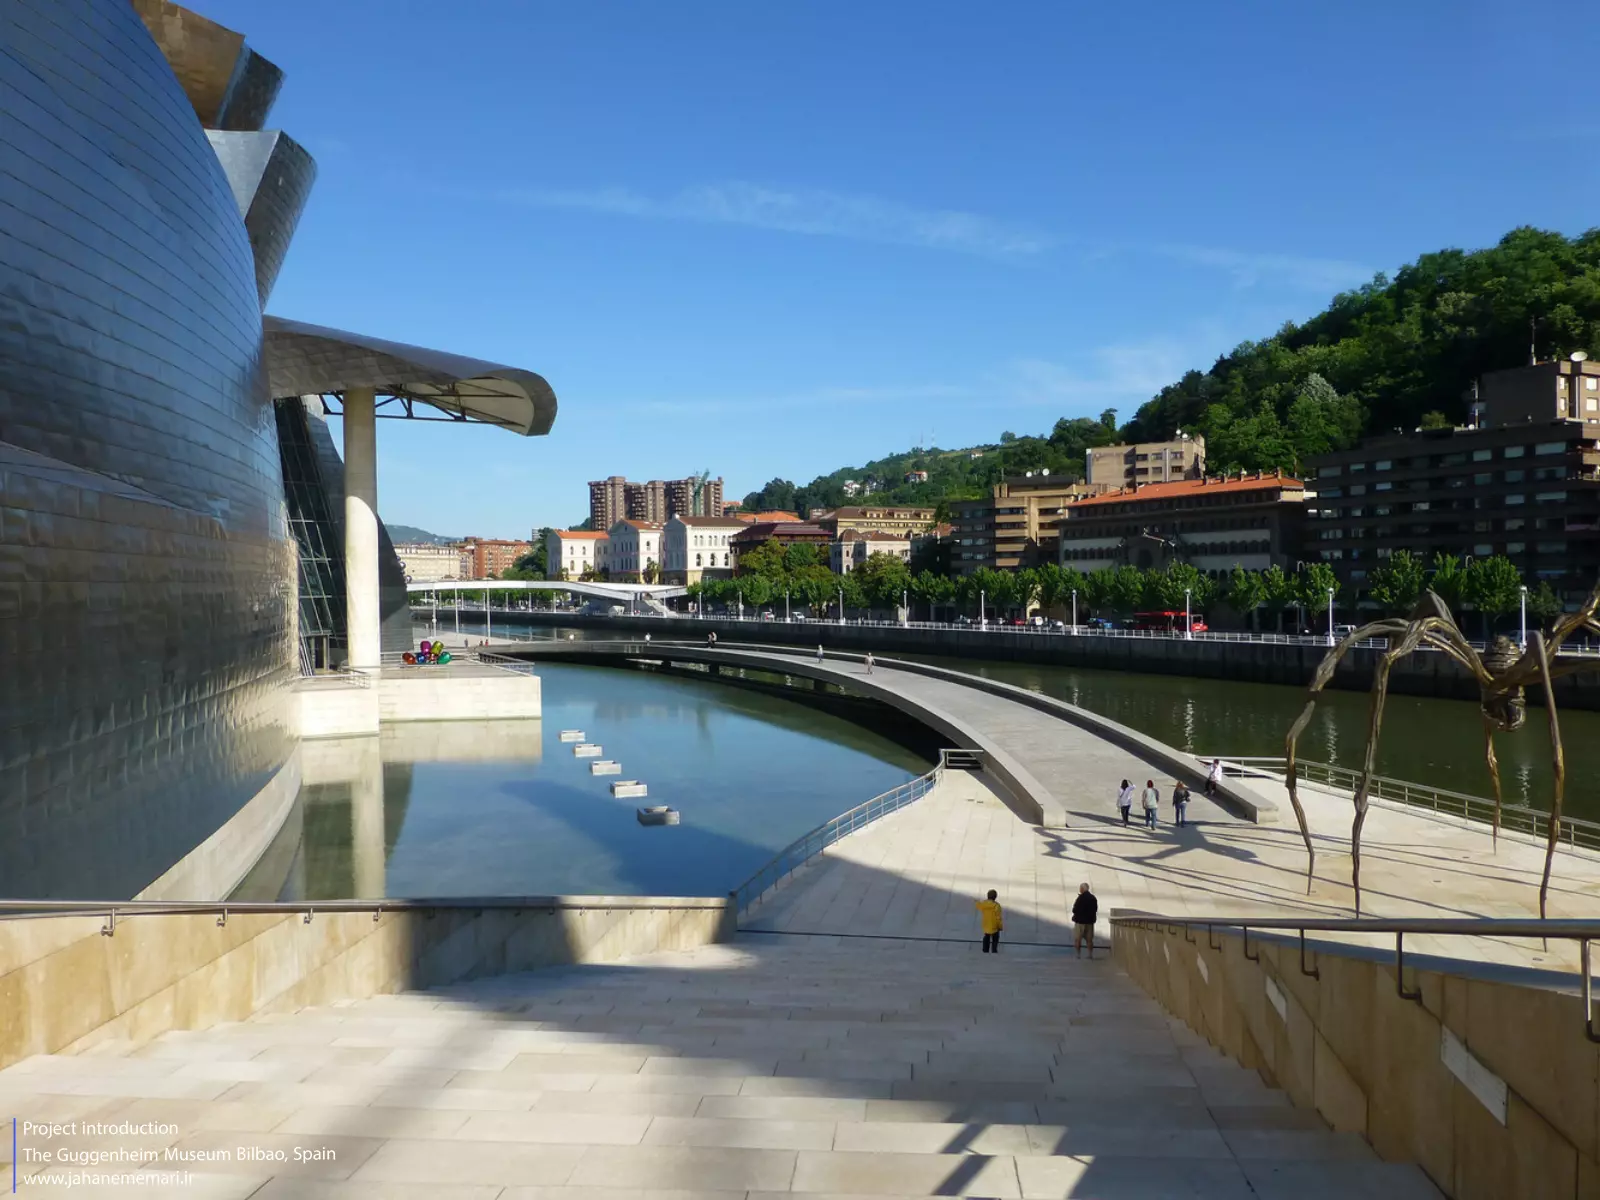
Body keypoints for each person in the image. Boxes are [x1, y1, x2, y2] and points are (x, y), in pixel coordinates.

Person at [1071, 883, 1098, 959]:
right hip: (1090, 922)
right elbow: (1095, 909)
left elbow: (1075, 909)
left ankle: (1078, 954)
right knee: (1089, 939)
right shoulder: (1093, 898)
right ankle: (1090, 954)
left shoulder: (1080, 898)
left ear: (1082, 889)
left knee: (1078, 939)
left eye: (1080, 888)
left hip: (1080, 922)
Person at [976, 889, 1003, 953]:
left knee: (986, 936)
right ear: (995, 897)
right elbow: (998, 917)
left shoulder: (984, 904)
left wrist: (976, 901)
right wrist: (1000, 926)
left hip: (986, 924)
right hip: (994, 925)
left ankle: (985, 949)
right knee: (995, 938)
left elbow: (978, 905)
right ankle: (994, 950)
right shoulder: (996, 906)